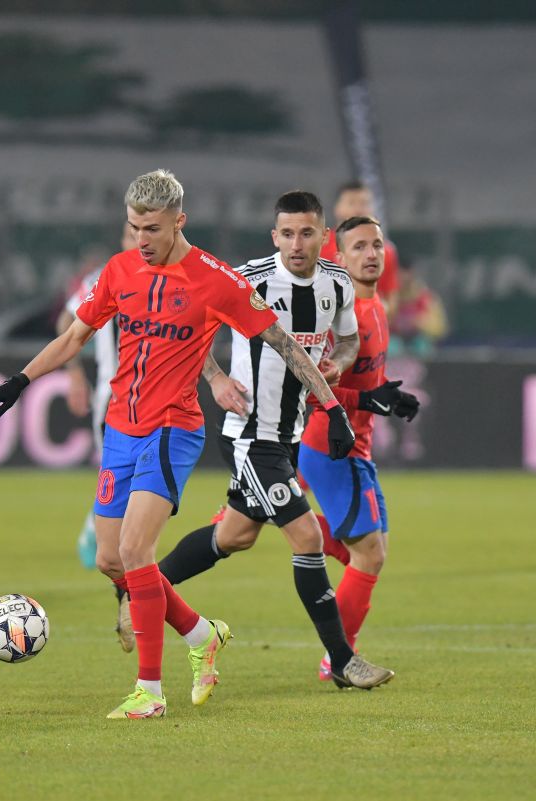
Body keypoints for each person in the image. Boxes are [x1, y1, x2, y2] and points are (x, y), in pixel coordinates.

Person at [0, 169, 365, 719]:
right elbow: (74, 336)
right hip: (120, 430)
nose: (142, 238)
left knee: (138, 553)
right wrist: (18, 381)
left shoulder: (217, 281)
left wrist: (329, 405)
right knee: (111, 561)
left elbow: (282, 342)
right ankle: (200, 633)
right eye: (134, 226)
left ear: (179, 222)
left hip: (173, 429)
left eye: (153, 229)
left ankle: (149, 692)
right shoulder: (119, 271)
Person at [158, 198, 403, 690]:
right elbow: (189, 325)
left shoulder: (337, 284)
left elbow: (349, 340)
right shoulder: (249, 279)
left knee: (234, 536)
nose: (297, 244)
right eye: (287, 234)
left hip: (288, 435)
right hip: (250, 434)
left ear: (322, 235)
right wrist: (217, 379)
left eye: (307, 233)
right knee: (308, 536)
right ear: (275, 237)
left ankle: (141, 588)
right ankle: (342, 661)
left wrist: (336, 363)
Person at [297, 216, 420, 679]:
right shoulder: (338, 319)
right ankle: (340, 657)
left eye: (377, 245)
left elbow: (365, 378)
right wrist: (368, 399)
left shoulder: (377, 305)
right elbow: (316, 392)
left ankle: (296, 524)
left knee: (370, 551)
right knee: (370, 552)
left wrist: (388, 393)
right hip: (331, 447)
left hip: (357, 448)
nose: (371, 254)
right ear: (339, 258)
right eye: (359, 247)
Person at [56, 225, 136, 574]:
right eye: (132, 234)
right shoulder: (107, 276)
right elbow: (66, 320)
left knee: (138, 482)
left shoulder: (171, 278)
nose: (140, 241)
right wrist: (74, 374)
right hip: (114, 398)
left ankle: (103, 534)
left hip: (156, 400)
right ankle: (96, 532)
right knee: (122, 480)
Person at [319, 181, 399, 314]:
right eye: (351, 203)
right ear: (337, 208)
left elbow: (391, 303)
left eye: (364, 204)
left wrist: (373, 309)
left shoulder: (386, 251)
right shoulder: (319, 247)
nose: (358, 209)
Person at [388, 258, 448, 358]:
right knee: (391, 347)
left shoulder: (426, 298)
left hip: (418, 342)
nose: (402, 278)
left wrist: (421, 323)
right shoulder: (385, 297)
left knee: (422, 347)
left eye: (405, 273)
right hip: (393, 342)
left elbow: (440, 328)